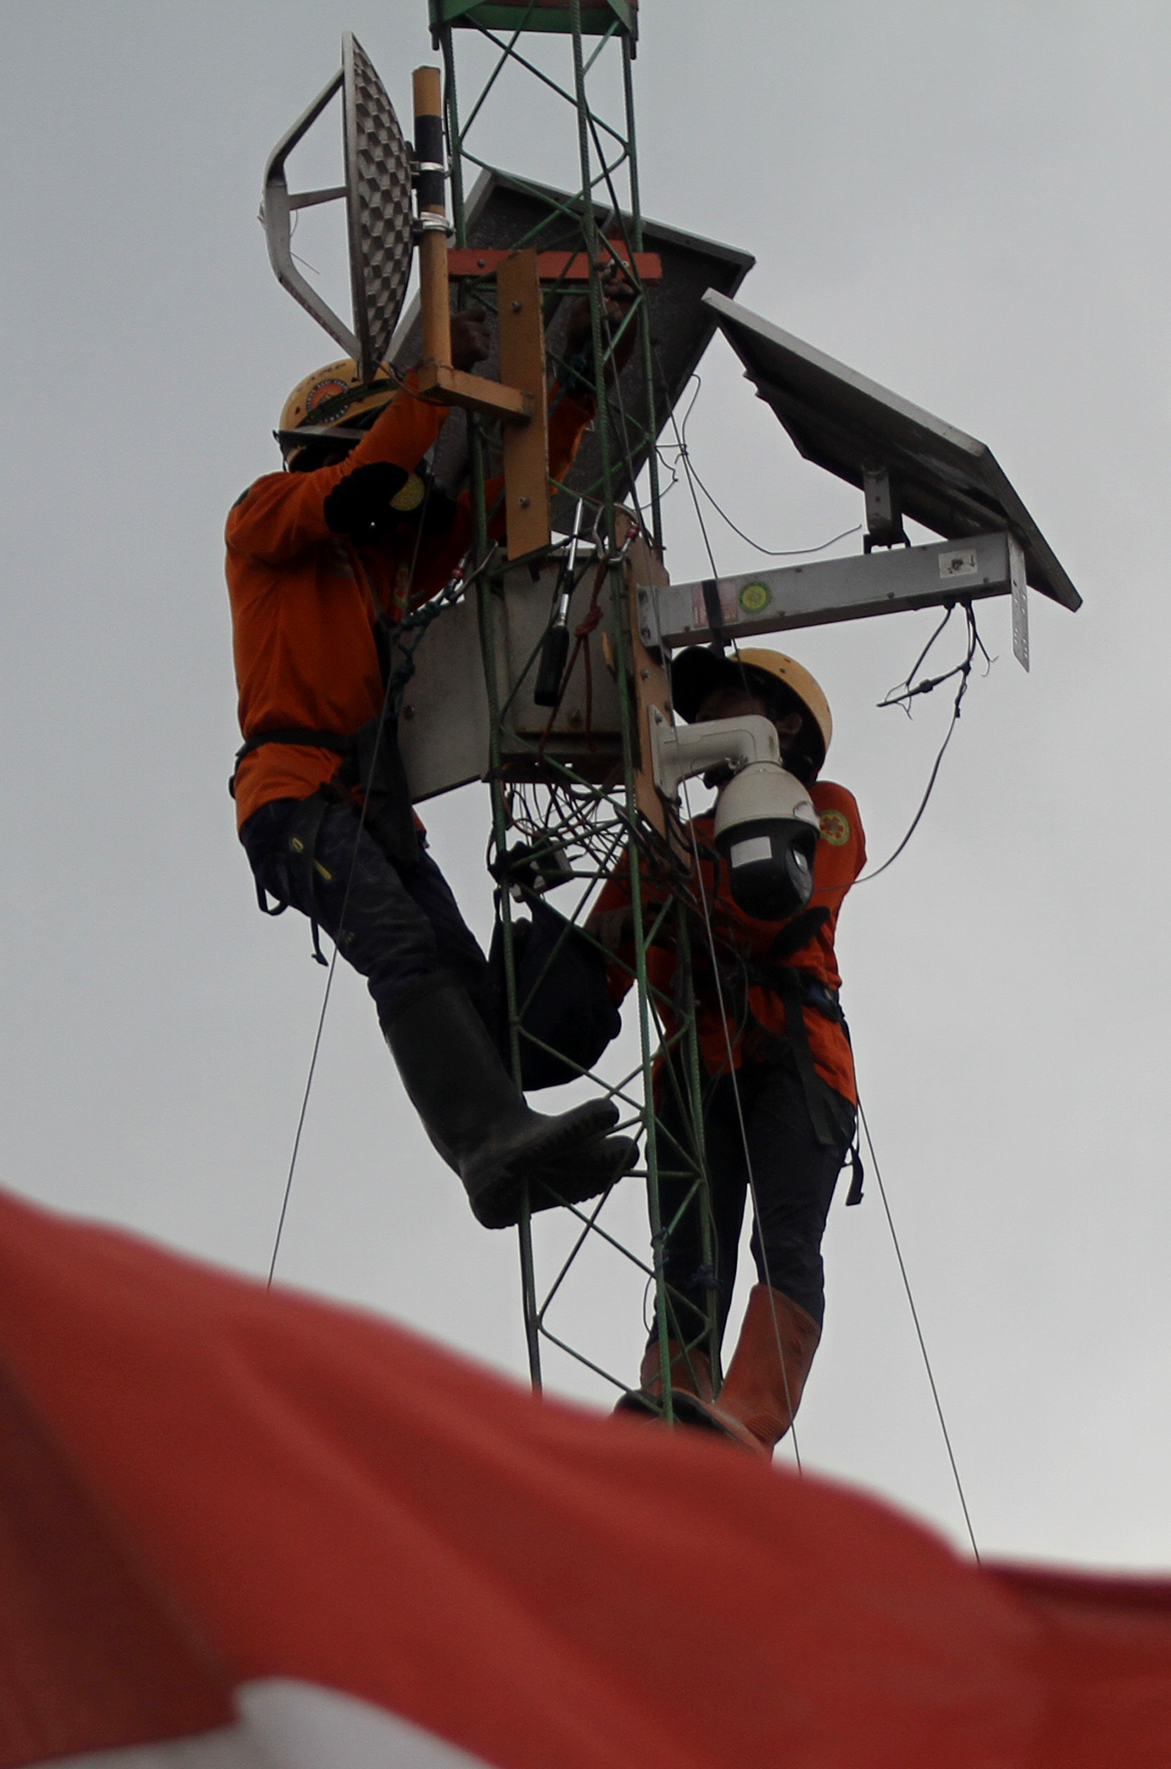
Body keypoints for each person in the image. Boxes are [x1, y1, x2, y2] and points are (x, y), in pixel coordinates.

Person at [229, 358, 631, 1230]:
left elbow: (499, 514)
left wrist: (569, 405)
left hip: (371, 807)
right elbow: (356, 483)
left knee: (462, 978)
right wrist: (429, 388)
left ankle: (508, 1162)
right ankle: (488, 1142)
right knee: (401, 945)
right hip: (293, 793)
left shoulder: (379, 561)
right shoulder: (265, 515)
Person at [590, 646, 866, 1454]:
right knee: (687, 1252)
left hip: (793, 1055)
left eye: (727, 698)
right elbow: (608, 957)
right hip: (696, 1065)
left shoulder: (823, 807)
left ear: (782, 722)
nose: (702, 714)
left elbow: (778, 909)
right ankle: (673, 1398)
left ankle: (747, 1419)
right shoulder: (674, 836)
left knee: (783, 1242)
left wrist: (684, 874)